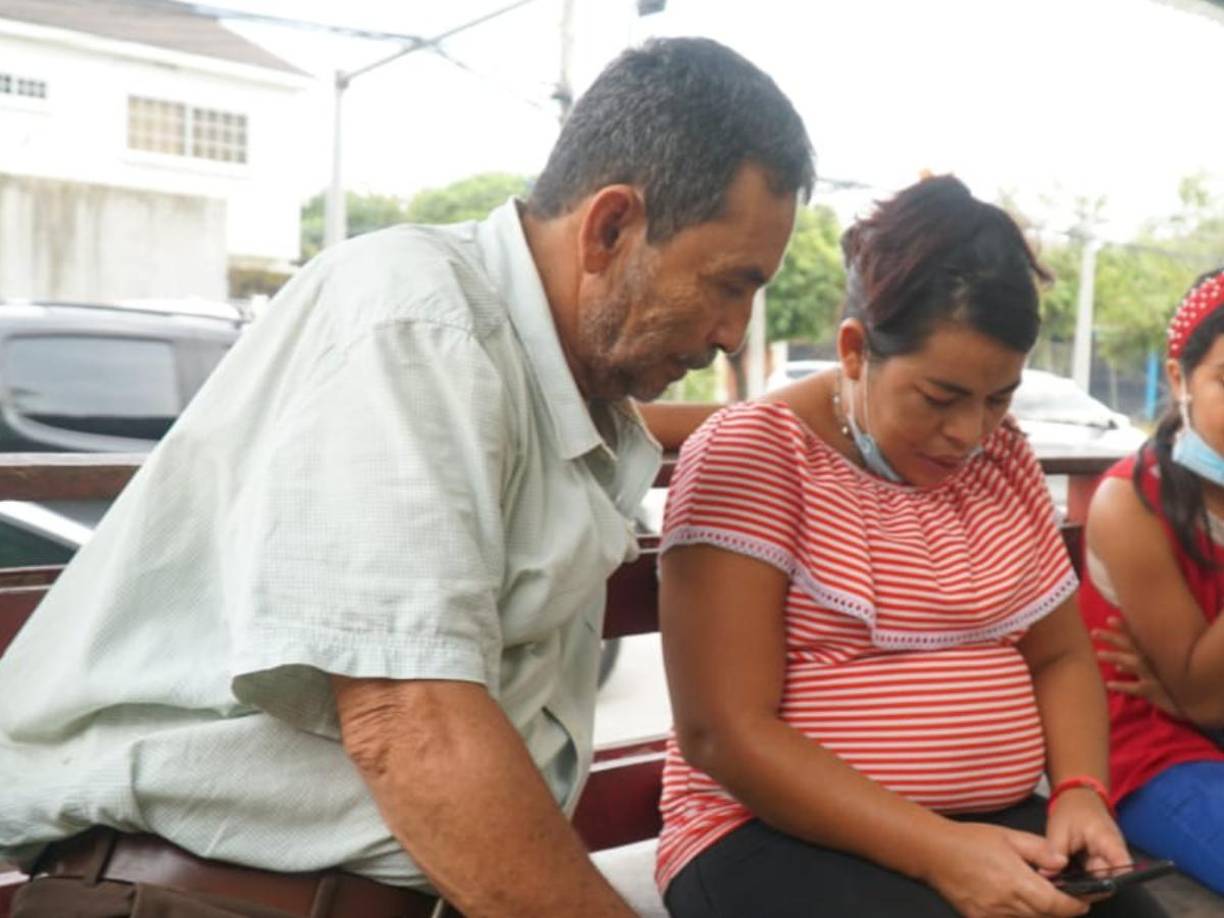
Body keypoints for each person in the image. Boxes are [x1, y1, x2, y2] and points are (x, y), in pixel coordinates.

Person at [0, 37, 812, 918]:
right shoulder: (420, 321)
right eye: (731, 285)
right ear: (611, 227)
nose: (735, 333)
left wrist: (837, 415)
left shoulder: (557, 387)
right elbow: (407, 723)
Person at [654, 176, 1167, 918]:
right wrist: (938, 850)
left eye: (999, 398)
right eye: (940, 397)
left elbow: (1058, 655)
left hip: (987, 828)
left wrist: (1083, 792)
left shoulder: (1003, 458)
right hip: (765, 836)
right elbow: (726, 735)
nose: (972, 434)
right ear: (857, 351)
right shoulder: (756, 454)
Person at [1080, 268, 1224, 897]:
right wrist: (1192, 700)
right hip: (1152, 752)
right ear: (1178, 380)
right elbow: (1203, 698)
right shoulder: (1131, 502)